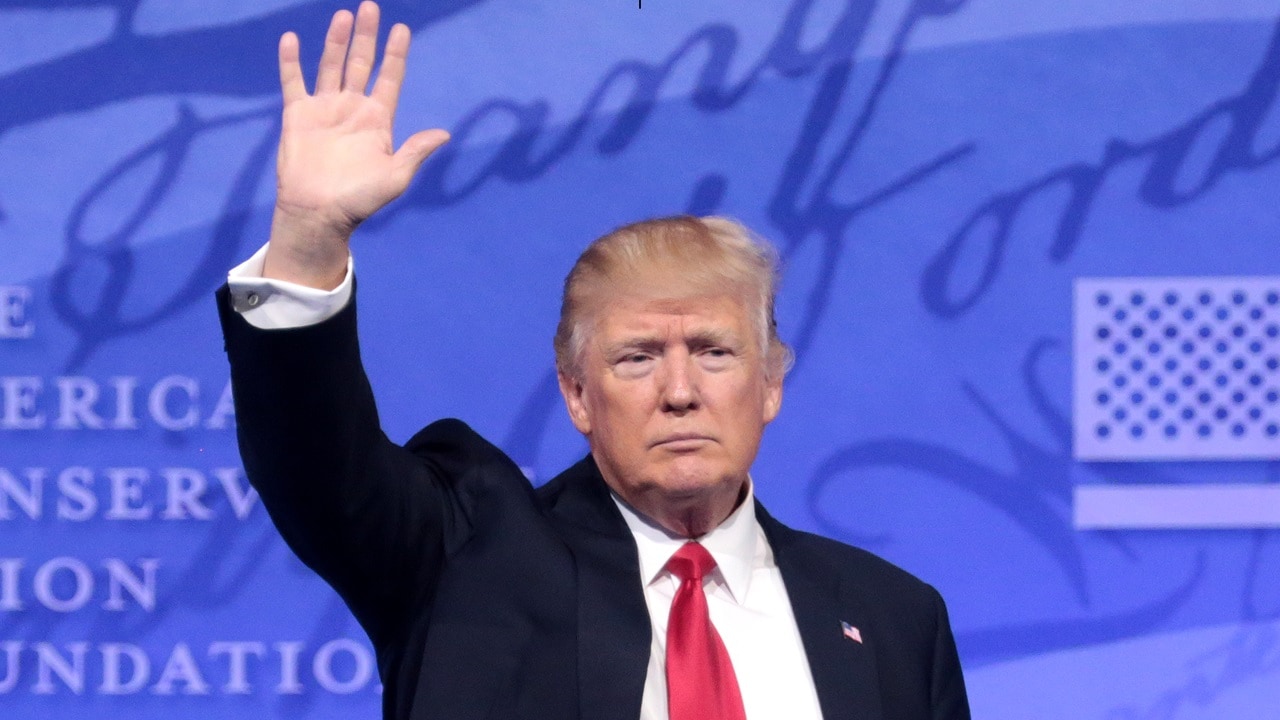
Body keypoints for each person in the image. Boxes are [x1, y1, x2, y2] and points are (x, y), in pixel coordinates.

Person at [217, 2, 971, 719]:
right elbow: (318, 470)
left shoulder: (894, 620)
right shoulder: (461, 563)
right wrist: (309, 242)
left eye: (713, 352)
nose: (680, 391)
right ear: (577, 395)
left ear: (770, 383)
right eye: (638, 358)